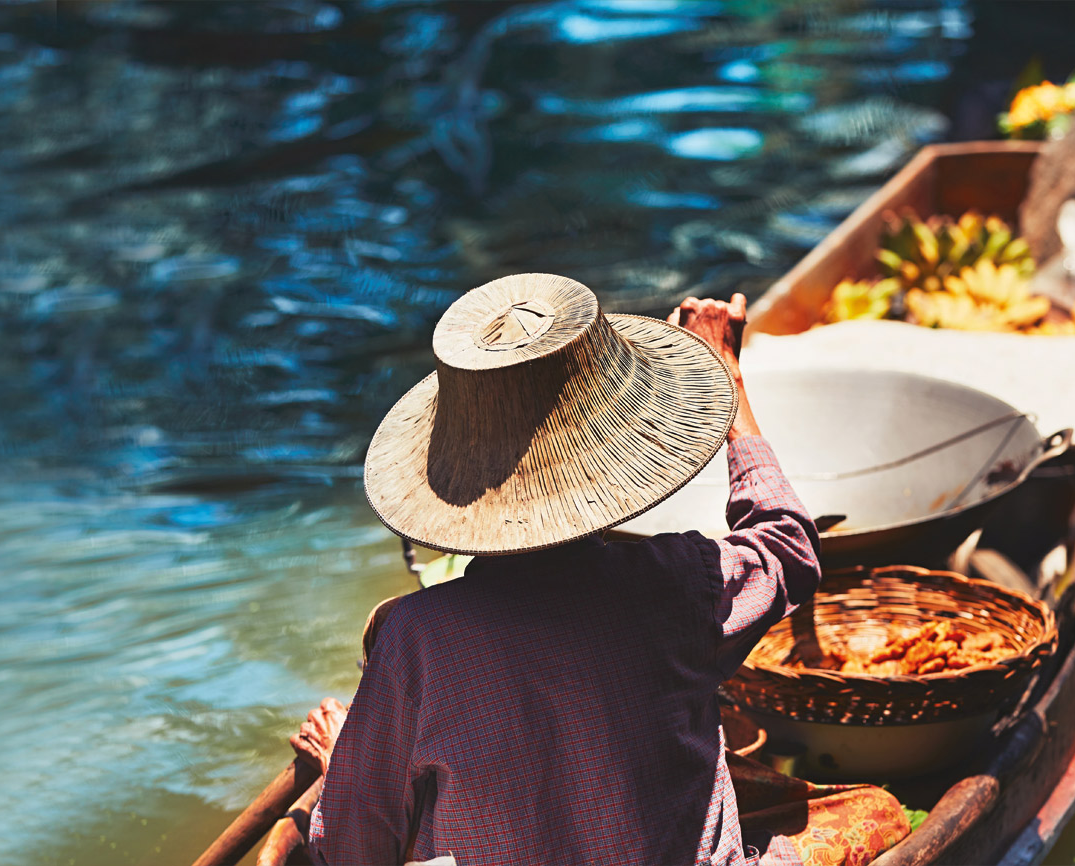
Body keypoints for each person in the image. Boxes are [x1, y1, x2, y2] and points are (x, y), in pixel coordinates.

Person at [287, 274, 903, 866]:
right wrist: (728, 377)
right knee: (877, 810)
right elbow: (790, 544)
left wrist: (347, 758)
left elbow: (350, 851)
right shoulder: (677, 582)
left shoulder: (414, 639)